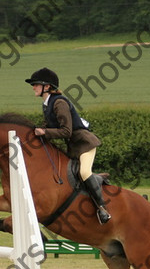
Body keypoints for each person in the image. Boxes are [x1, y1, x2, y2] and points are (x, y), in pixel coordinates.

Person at [25, 67, 111, 224]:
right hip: (74, 147)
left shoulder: (59, 103)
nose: (33, 87)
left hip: (85, 144)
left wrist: (44, 132)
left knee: (84, 172)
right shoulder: (47, 103)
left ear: (47, 86)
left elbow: (66, 131)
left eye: (36, 84)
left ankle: (102, 208)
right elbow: (47, 125)